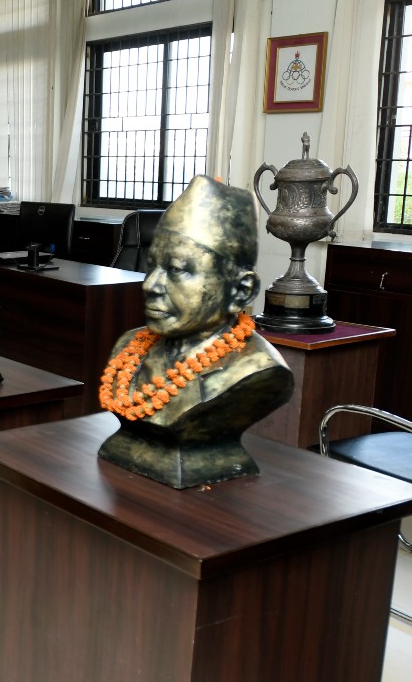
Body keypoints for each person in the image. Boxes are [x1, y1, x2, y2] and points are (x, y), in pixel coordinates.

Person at [97, 175, 294, 489]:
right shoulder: (128, 346)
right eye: (152, 265)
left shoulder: (257, 368)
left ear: (241, 291)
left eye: (177, 269)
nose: (150, 285)